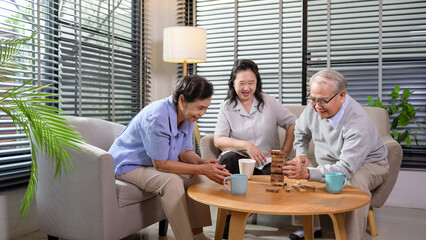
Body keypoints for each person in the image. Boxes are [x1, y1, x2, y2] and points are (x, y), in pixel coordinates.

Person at [109, 75, 231, 240]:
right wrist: (202, 168)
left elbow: (184, 152)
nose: (202, 113)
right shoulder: (157, 116)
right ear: (182, 100)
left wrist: (202, 163)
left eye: (206, 108)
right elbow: (161, 165)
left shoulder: (188, 116)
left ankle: (198, 234)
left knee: (196, 176)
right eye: (200, 107)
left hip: (151, 163)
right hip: (127, 164)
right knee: (171, 182)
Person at [283, 69, 389, 240]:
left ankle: (351, 237)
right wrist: (301, 155)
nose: (317, 106)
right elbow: (301, 133)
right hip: (331, 160)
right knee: (302, 172)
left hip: (368, 164)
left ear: (341, 96)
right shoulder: (316, 105)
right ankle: (316, 229)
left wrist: (309, 173)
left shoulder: (357, 124)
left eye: (323, 101)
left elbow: (345, 169)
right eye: (313, 99)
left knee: (354, 183)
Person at [214, 59, 297, 175]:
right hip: (238, 160)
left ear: (257, 82)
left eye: (251, 83)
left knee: (273, 172)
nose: (246, 88)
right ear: (233, 83)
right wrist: (247, 146)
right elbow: (218, 140)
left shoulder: (270, 102)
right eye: (241, 83)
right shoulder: (226, 107)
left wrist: (284, 152)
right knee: (228, 159)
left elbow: (293, 123)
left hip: (267, 161)